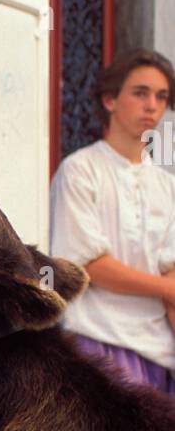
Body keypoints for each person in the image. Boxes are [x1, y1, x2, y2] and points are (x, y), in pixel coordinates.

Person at [50, 49, 175, 394]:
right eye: (140, 93)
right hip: (97, 341)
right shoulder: (79, 170)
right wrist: (166, 287)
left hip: (160, 353)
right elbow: (89, 266)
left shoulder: (167, 186)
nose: (152, 105)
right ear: (110, 100)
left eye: (161, 96)